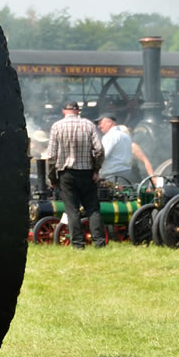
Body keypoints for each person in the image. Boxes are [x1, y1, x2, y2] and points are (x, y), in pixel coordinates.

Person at [46, 101, 106, 249]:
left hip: (66, 174)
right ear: (78, 111)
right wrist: (96, 170)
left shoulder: (56, 126)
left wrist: (52, 178)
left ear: (63, 111)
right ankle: (99, 243)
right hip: (87, 173)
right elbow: (99, 150)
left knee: (72, 210)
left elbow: (51, 156)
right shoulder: (89, 125)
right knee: (92, 208)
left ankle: (78, 245)